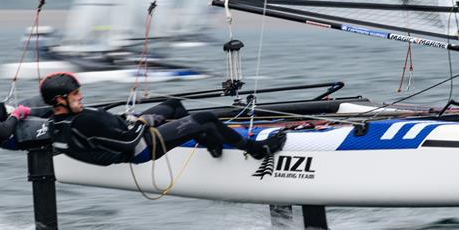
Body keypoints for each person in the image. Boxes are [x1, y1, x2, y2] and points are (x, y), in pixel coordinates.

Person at [39, 72, 287, 166]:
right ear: (60, 100)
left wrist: (129, 118)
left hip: (131, 131)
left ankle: (205, 140)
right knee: (205, 118)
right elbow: (127, 143)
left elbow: (105, 130)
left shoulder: (57, 119)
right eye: (75, 94)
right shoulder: (81, 122)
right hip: (142, 148)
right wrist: (143, 122)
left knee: (173, 105)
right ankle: (257, 150)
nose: (80, 97)